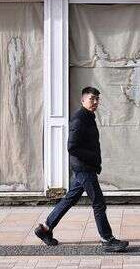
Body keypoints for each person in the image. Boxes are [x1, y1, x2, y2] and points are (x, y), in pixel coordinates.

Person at [34, 86, 129, 252]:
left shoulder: (88, 117)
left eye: (97, 99)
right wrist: (92, 159)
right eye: (92, 98)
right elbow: (72, 147)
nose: (95, 102)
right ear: (83, 100)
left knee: (70, 199)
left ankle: (46, 229)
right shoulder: (80, 119)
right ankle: (107, 239)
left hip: (84, 168)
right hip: (84, 168)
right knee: (99, 203)